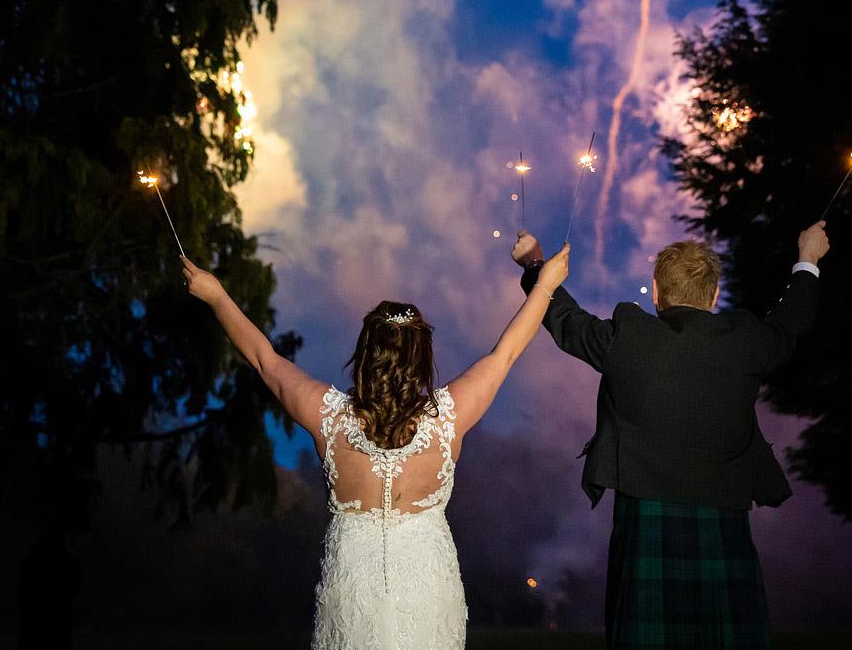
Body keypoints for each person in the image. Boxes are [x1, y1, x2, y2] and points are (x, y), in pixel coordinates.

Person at [180, 243, 570, 649]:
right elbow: (505, 355)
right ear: (421, 357)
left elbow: (265, 361)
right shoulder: (449, 417)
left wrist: (216, 296)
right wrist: (543, 285)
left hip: (352, 590)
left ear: (365, 354)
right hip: (428, 590)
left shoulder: (327, 416)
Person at [512, 222, 829, 649]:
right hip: (724, 522)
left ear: (657, 292)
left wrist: (535, 265)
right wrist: (807, 259)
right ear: (714, 297)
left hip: (645, 521)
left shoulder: (629, 337)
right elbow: (791, 320)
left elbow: (565, 320)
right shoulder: (745, 340)